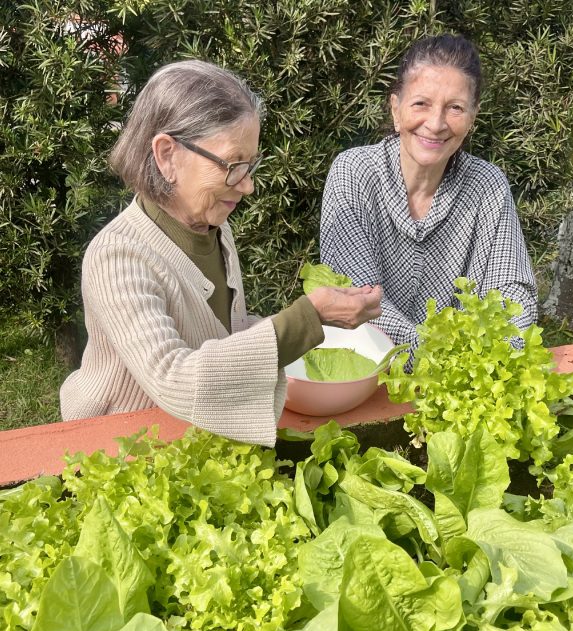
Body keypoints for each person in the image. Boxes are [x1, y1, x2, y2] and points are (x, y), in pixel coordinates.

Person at [60, 59, 382, 446]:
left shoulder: (214, 228)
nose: (247, 186)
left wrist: (319, 318)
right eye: (232, 165)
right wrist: (305, 319)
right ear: (167, 155)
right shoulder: (117, 256)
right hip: (119, 444)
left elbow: (222, 333)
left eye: (250, 165)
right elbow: (173, 378)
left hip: (190, 435)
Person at [320, 33, 537, 354]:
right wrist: (439, 358)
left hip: (461, 375)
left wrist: (482, 359)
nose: (435, 124)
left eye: (455, 108)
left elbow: (513, 295)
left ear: (473, 117)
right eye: (421, 103)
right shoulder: (354, 172)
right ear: (396, 109)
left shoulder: (487, 185)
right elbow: (356, 301)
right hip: (366, 370)